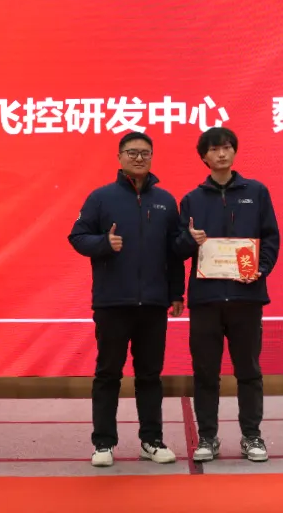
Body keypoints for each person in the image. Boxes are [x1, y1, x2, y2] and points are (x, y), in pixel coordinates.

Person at [68, 131, 186, 468]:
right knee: (108, 374)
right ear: (119, 158)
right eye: (132, 152)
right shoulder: (100, 198)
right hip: (112, 303)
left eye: (145, 153)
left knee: (150, 375)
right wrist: (103, 244)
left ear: (152, 157)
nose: (138, 158)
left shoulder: (166, 201)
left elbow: (174, 253)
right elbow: (77, 236)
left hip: (153, 304)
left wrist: (176, 293)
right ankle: (103, 443)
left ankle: (151, 440)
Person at [176, 127, 280, 463]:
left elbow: (271, 237)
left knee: (248, 370)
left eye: (227, 147)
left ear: (234, 151)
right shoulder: (191, 200)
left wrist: (262, 268)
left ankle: (252, 436)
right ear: (203, 157)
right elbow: (176, 249)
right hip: (205, 300)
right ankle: (208, 437)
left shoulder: (256, 192)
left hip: (246, 297)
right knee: (205, 372)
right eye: (214, 149)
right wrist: (189, 240)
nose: (221, 154)